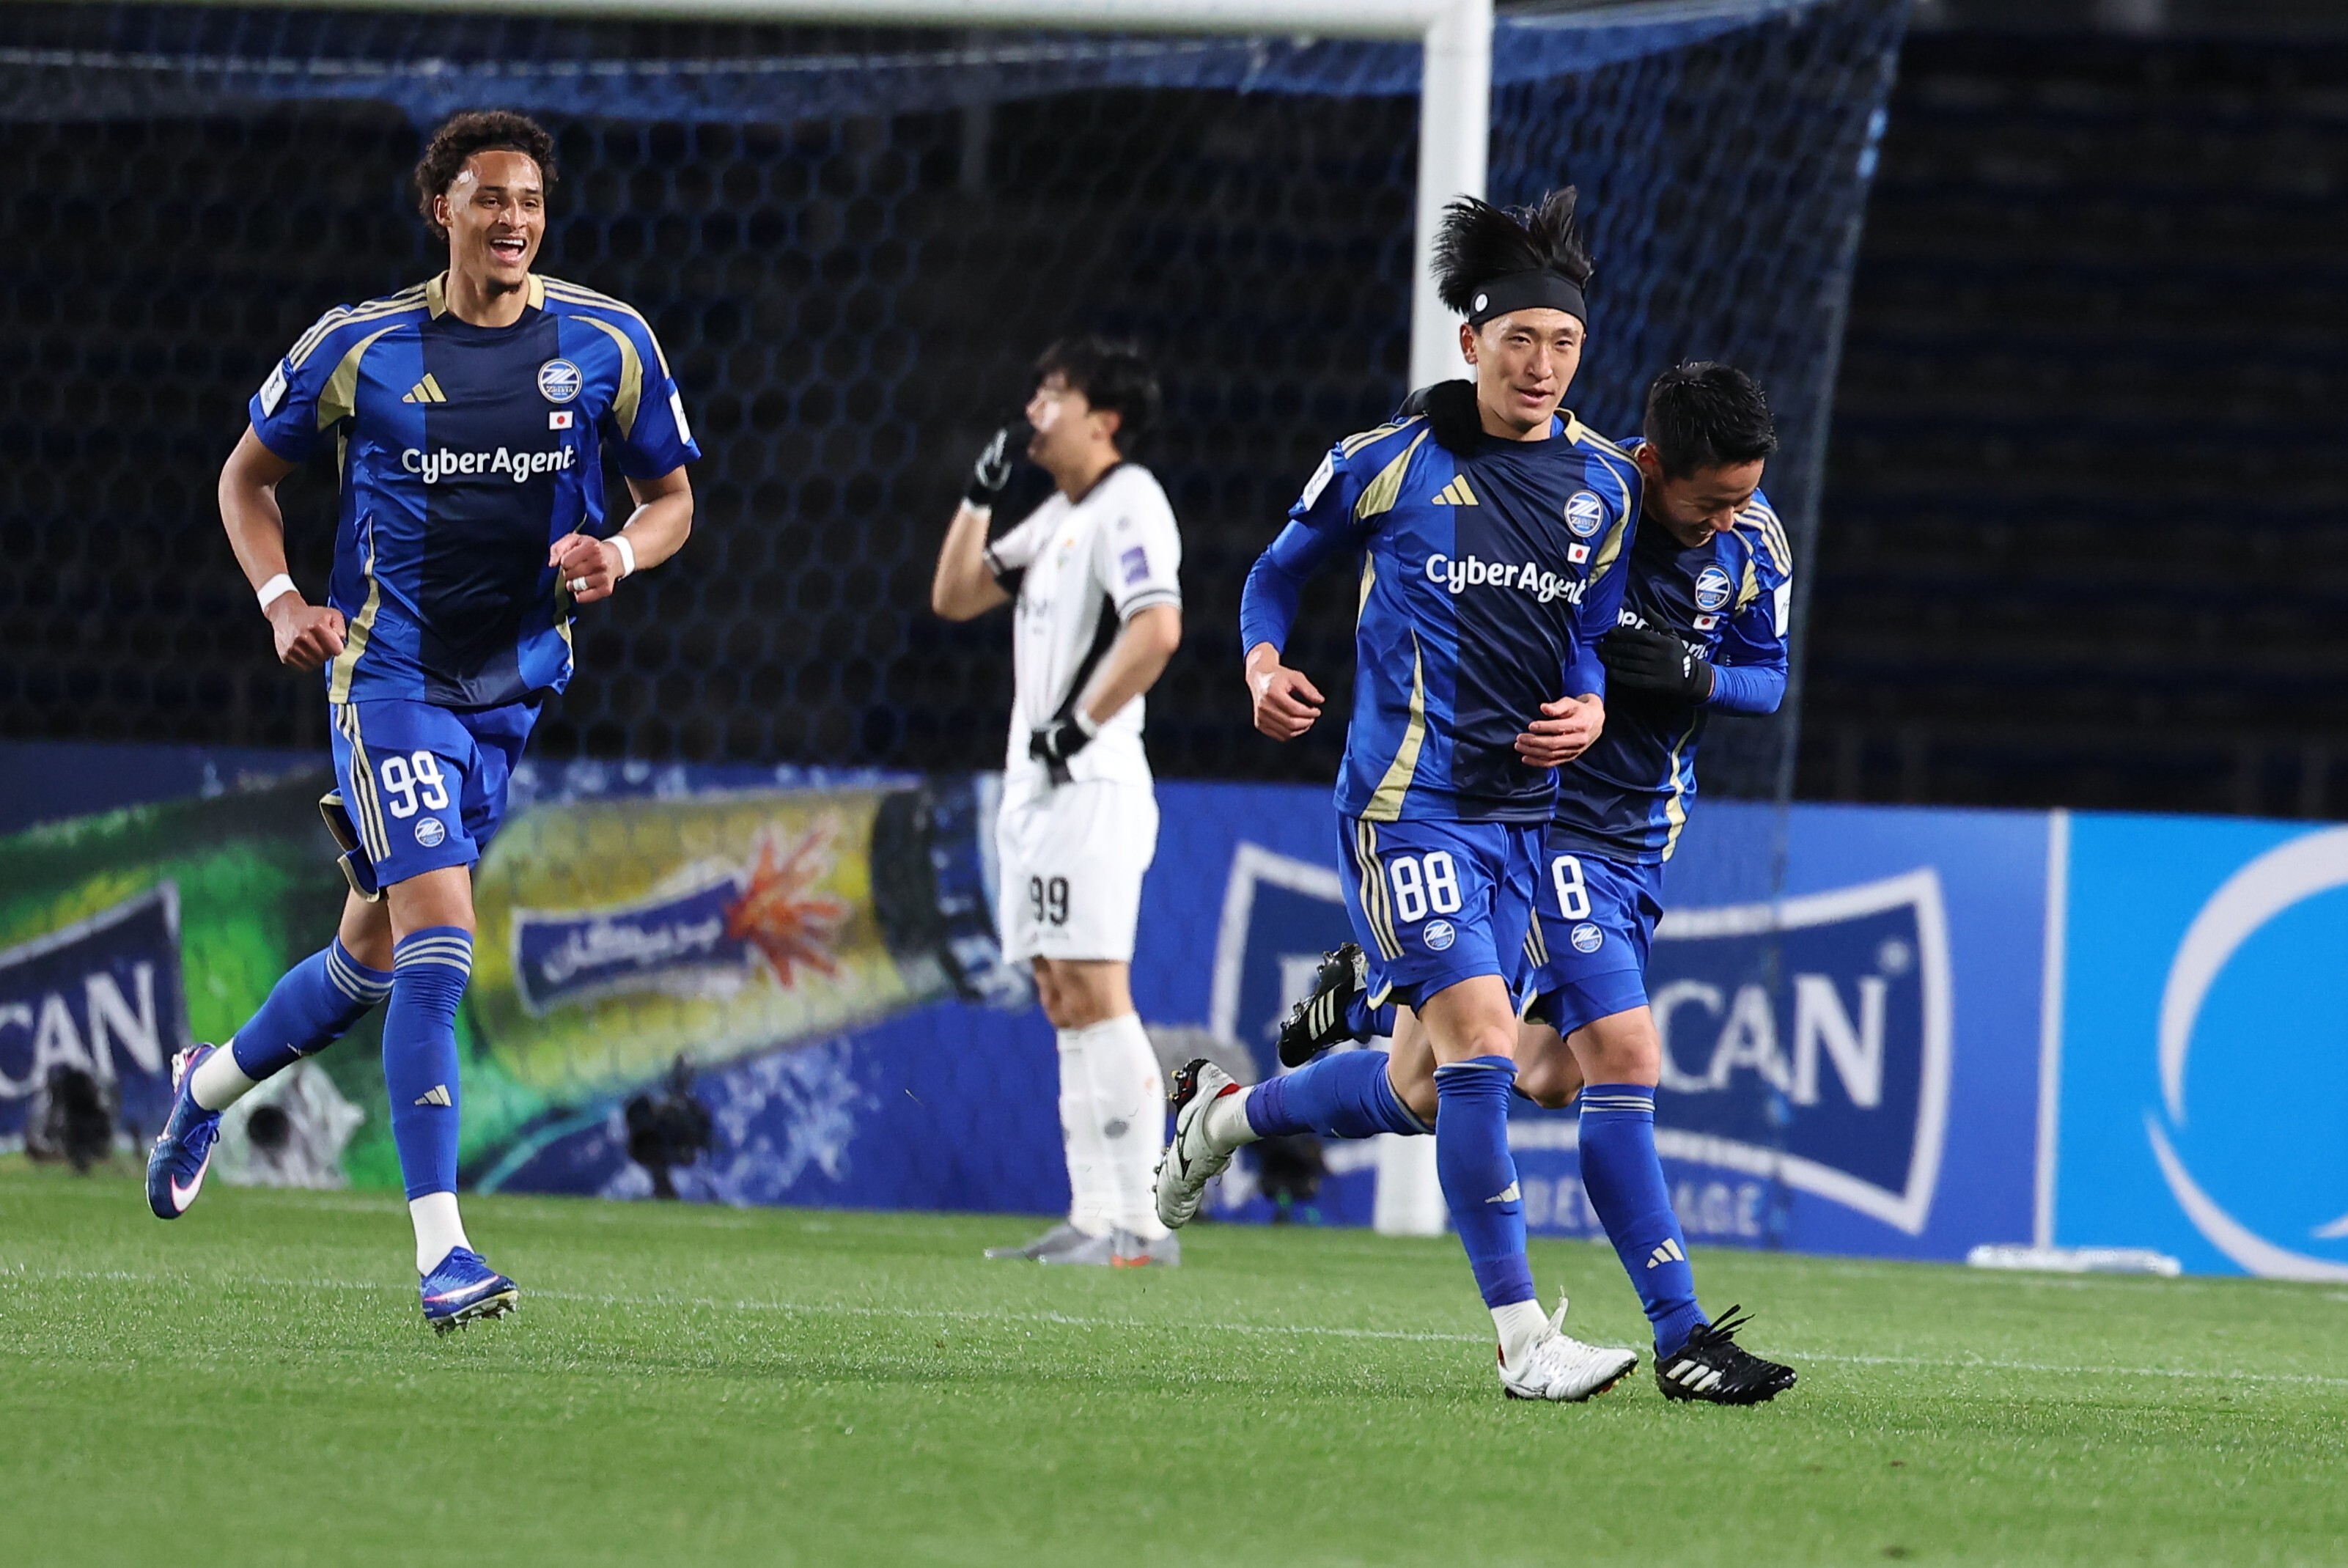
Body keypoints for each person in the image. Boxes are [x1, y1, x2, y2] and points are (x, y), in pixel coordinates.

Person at [144, 111, 699, 1333]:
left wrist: (618, 553)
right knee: (441, 938)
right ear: (439, 206)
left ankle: (207, 1083)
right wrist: (281, 597)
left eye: (530, 201)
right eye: (489, 197)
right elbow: (246, 477)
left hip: (515, 685)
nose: (513, 220)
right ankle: (443, 1251)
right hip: (387, 677)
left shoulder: (607, 342)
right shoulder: (360, 347)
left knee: (369, 962)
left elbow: (671, 499)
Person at [1226, 363, 1803, 1405]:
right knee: (1620, 1052)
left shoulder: (1753, 539)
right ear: (1651, 466)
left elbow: (1767, 677)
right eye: (1709, 501)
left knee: (1487, 1081)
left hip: (1640, 836)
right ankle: (1679, 1334)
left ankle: (1293, 1060)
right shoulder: (1585, 504)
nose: (1727, 520)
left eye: (1742, 497)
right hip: (1544, 824)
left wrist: (1695, 676)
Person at [1160, 191, 1643, 1402]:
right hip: (1401, 803)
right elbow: (1273, 574)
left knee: (1423, 1087)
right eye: (1518, 338)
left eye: (1563, 342)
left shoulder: (1604, 484)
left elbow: (1589, 640)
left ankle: (1220, 1117)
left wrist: (1588, 707)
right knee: (1484, 1042)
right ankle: (1522, 1340)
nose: (1540, 364)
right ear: (1470, 341)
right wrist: (1260, 664)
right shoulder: (1384, 461)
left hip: (1521, 820)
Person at [931, 338, 1185, 1267]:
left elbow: (1157, 626)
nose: (1033, 407)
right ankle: (1092, 1214)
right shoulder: (1056, 517)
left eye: (1054, 394)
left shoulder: (1130, 501)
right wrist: (979, 493)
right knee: (1058, 991)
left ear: (1102, 420)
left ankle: (1142, 1224)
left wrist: (1076, 727)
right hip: (1035, 790)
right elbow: (955, 595)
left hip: (1090, 783)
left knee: (1096, 988)